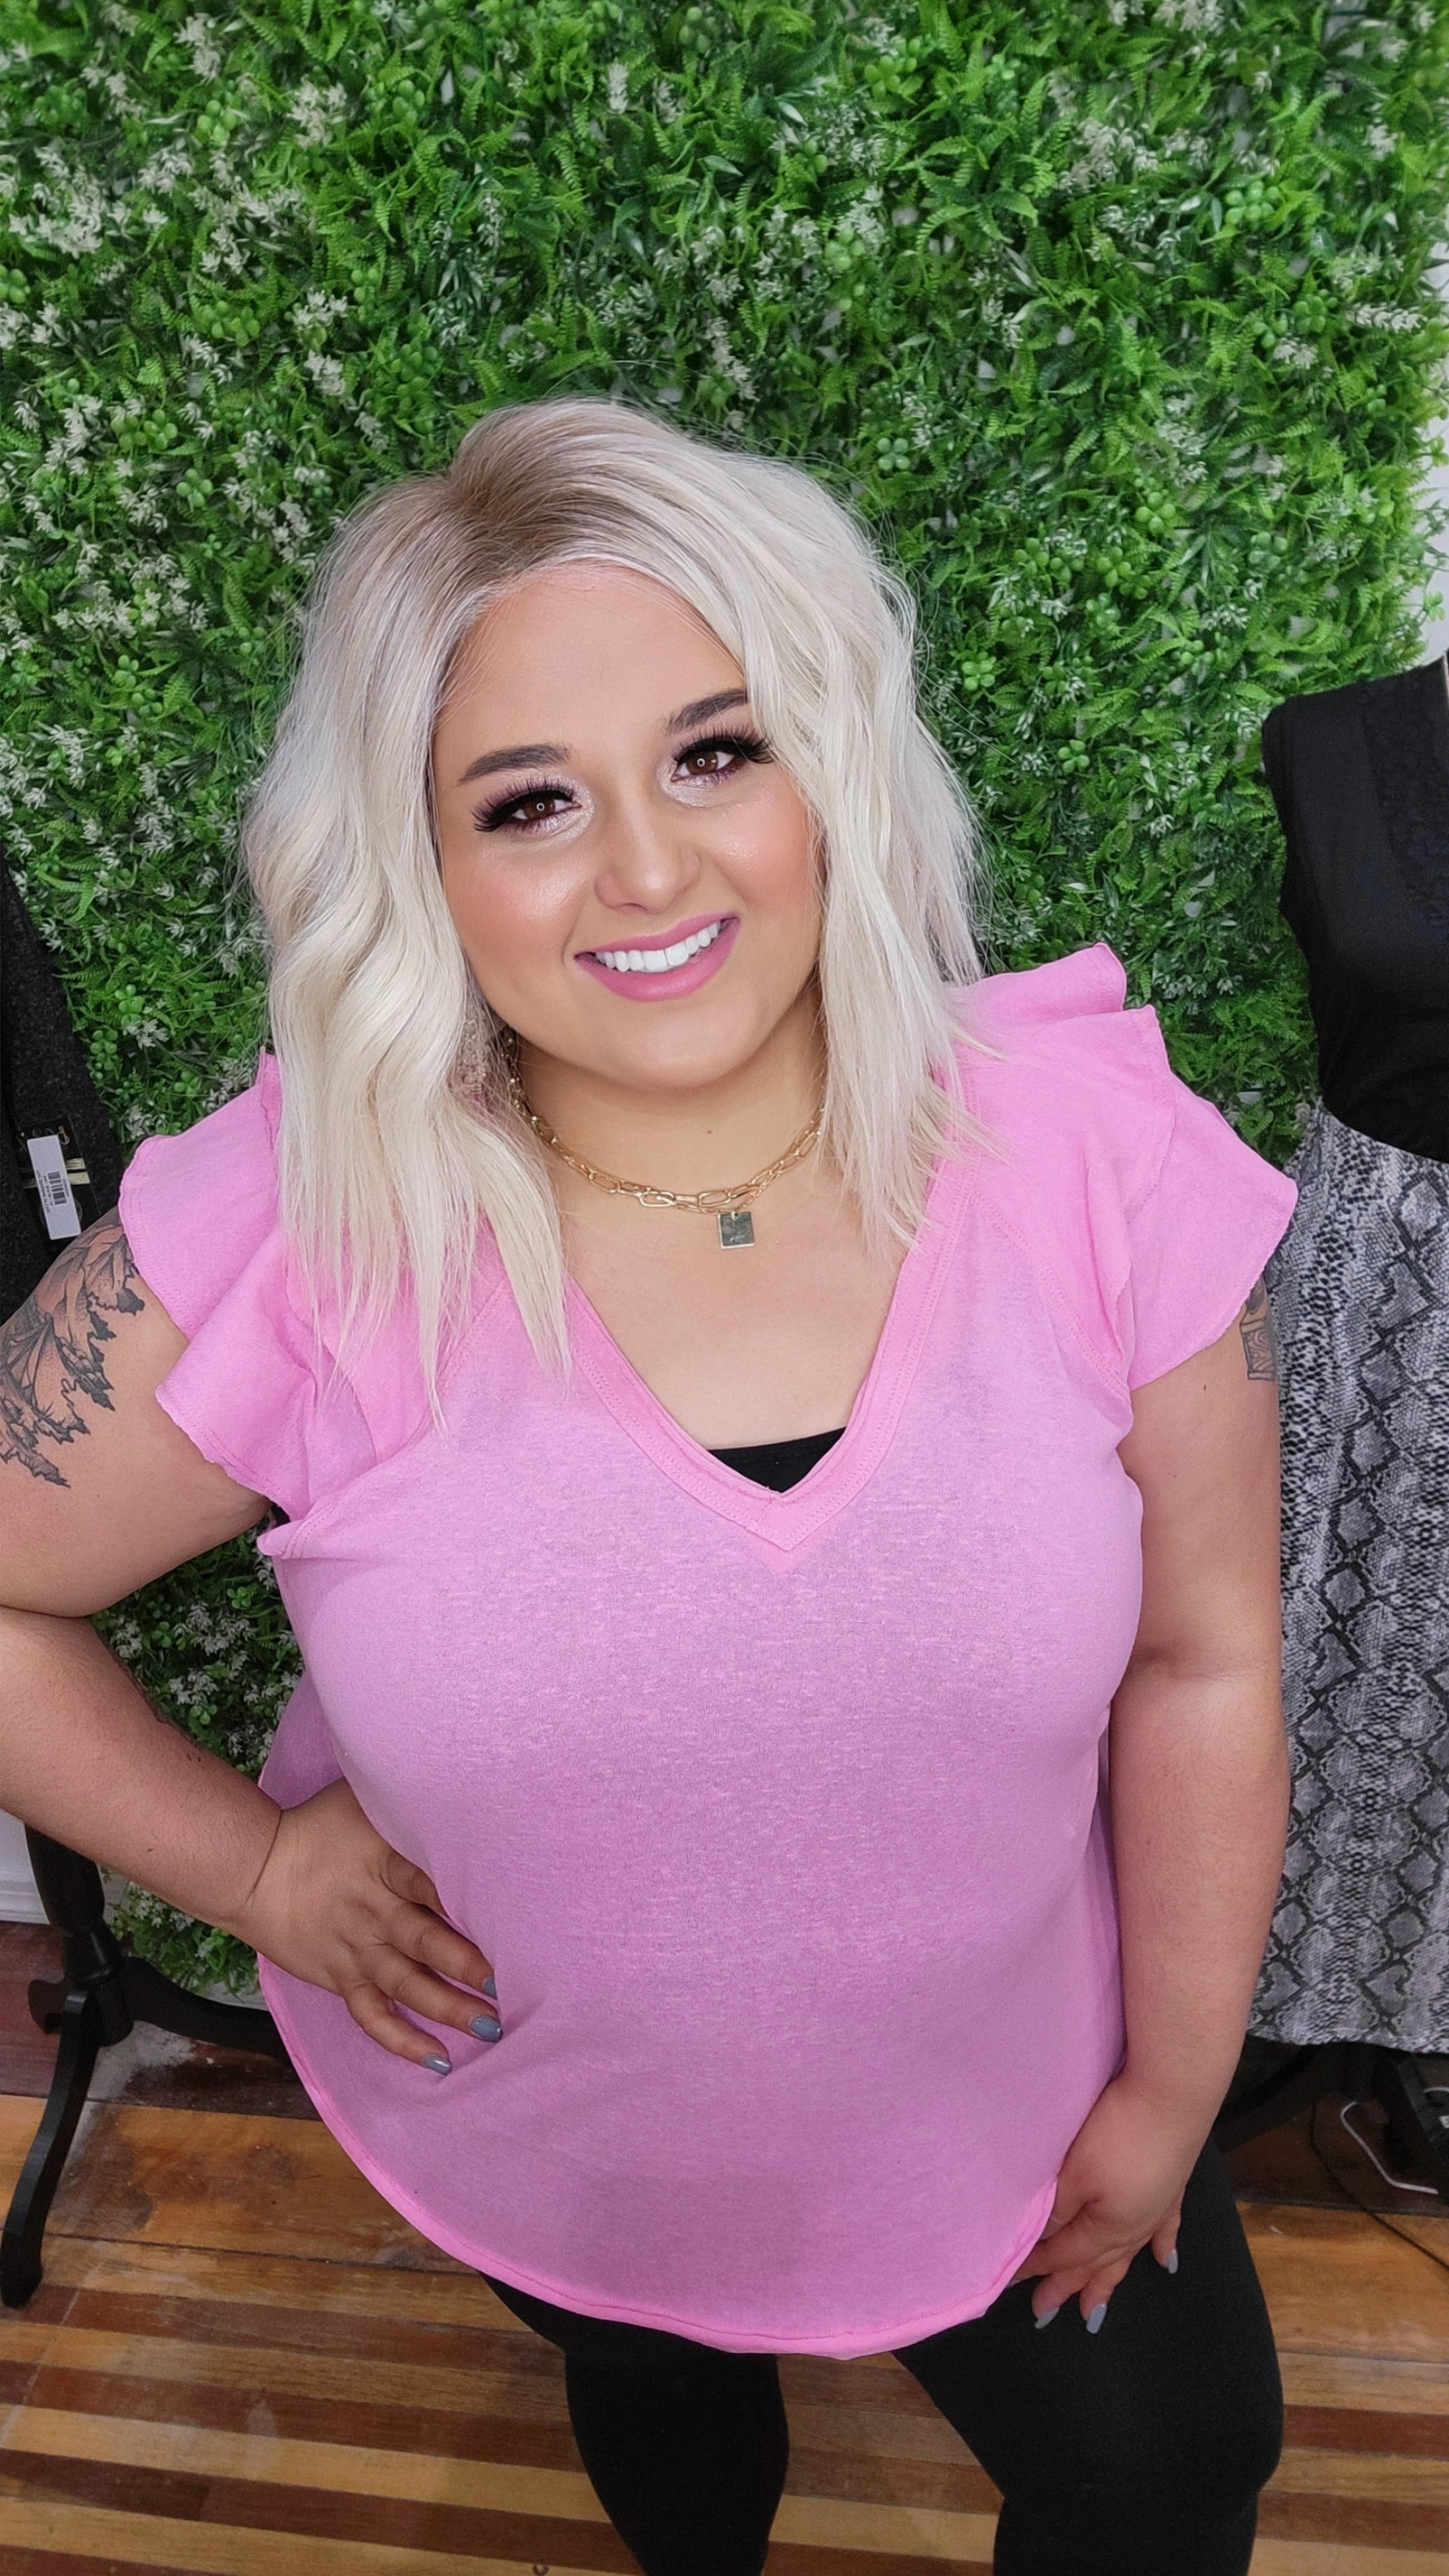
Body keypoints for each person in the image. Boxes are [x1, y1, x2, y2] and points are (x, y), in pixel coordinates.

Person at [0, 399, 1295, 2576]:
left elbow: (1205, 1664)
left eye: (716, 753)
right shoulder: (302, 1229)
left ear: (830, 767)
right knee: (672, 2437)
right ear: (420, 867)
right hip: (561, 2134)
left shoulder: (1095, 1160)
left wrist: (1174, 2092)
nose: (650, 874)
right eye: (531, 801)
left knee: (1173, 2471)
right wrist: (261, 1870)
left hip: (1029, 2096)